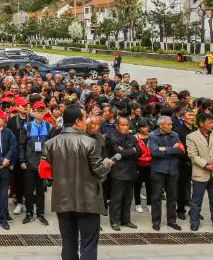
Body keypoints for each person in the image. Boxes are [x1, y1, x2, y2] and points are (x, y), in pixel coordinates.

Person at [42, 104, 113, 260]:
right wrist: (108, 163)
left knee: (68, 242)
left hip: (62, 198)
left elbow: (45, 171)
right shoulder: (89, 142)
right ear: (78, 121)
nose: (87, 121)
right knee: (88, 244)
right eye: (84, 118)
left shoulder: (50, 144)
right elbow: (99, 169)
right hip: (87, 199)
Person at [186, 112, 213, 232]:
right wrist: (206, 165)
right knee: (196, 200)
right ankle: (194, 222)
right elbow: (193, 155)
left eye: (212, 122)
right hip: (201, 172)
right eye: (209, 122)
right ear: (201, 123)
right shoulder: (191, 137)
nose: (212, 124)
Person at [18, 100, 55, 225]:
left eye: (42, 110)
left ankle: (40, 213)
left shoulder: (49, 127)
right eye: (37, 110)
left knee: (41, 190)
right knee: (28, 190)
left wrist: (50, 163)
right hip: (29, 163)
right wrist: (22, 160)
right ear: (32, 112)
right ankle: (29, 213)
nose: (40, 113)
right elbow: (21, 145)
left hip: (43, 163)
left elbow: (52, 147)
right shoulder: (27, 126)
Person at [147, 115, 184, 230]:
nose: (171, 126)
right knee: (156, 197)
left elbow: (181, 151)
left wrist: (165, 149)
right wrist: (172, 149)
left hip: (173, 170)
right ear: (161, 125)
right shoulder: (153, 135)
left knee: (172, 197)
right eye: (168, 124)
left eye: (171, 124)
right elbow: (154, 153)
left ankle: (171, 220)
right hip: (158, 170)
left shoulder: (175, 135)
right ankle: (156, 221)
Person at [106, 116, 141, 230]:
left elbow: (139, 152)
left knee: (128, 199)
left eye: (127, 125)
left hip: (131, 172)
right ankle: (115, 221)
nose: (125, 127)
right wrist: (131, 151)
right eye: (122, 125)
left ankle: (126, 220)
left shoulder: (132, 138)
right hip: (119, 172)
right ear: (117, 126)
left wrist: (126, 151)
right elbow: (118, 153)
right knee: (116, 199)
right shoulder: (113, 138)